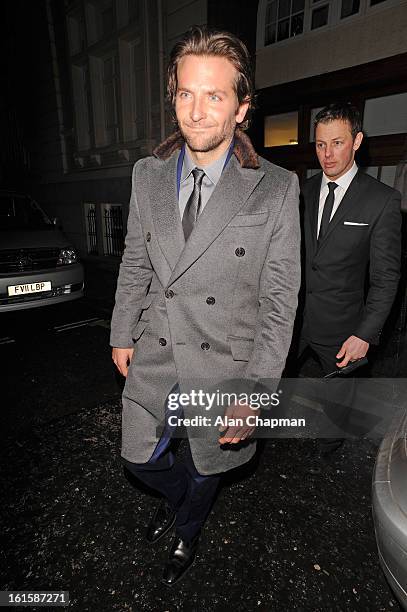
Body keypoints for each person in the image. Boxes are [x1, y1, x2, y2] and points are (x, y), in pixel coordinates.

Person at [110, 25, 301, 585]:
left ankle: (187, 531)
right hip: (157, 350)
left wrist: (257, 392)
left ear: (242, 107)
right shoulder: (147, 176)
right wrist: (122, 331)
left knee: (203, 464)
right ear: (173, 96)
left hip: (224, 364)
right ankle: (180, 507)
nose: (196, 111)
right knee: (137, 458)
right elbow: (135, 261)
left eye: (214, 95)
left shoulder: (275, 188)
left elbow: (279, 301)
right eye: (185, 93)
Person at [299, 103, 401, 459]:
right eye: (320, 144)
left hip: (343, 326)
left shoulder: (381, 200)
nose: (327, 154)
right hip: (295, 319)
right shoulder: (304, 192)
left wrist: (365, 334)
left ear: (357, 141)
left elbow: (387, 279)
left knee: (337, 402)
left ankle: (329, 448)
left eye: (337, 143)